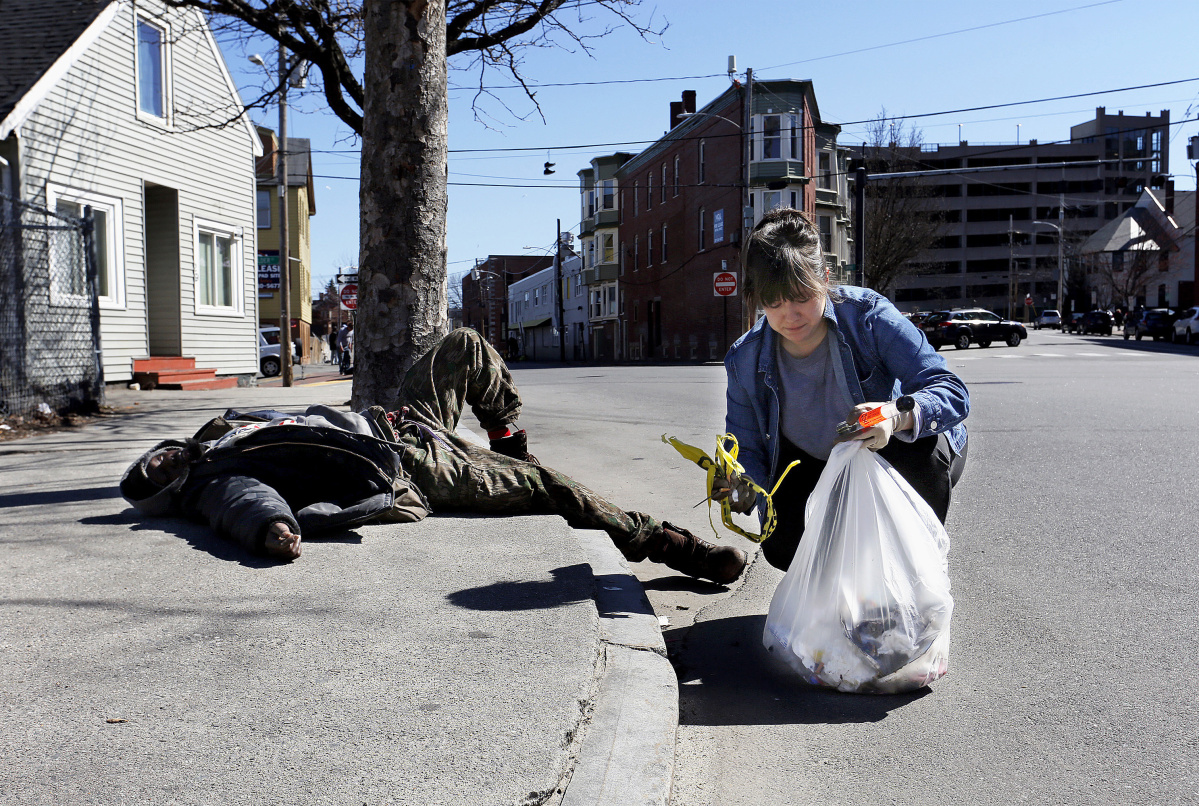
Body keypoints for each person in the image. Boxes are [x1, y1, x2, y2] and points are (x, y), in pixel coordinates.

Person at [120, 328, 747, 585]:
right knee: (550, 487)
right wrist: (271, 530)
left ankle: (507, 444)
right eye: (150, 476)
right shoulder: (213, 479)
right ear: (165, 491)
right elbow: (243, 504)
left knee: (463, 345)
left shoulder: (226, 429)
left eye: (152, 457)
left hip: (393, 420)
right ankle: (668, 544)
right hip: (403, 465)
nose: (157, 461)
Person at [716, 209, 970, 571]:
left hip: (897, 454)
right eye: (773, 301)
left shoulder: (867, 316)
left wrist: (894, 417)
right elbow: (743, 447)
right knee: (782, 542)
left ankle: (904, 582)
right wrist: (739, 488)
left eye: (802, 295)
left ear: (825, 277)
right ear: (756, 296)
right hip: (819, 467)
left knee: (921, 457)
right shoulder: (744, 359)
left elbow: (951, 390)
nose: (791, 315)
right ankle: (839, 597)